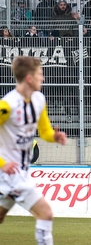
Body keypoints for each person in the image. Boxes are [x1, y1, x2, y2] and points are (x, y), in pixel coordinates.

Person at [0, 56, 69, 244]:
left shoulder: (38, 99)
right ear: (29, 78)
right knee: (45, 214)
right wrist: (3, 164)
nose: (43, 78)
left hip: (18, 172)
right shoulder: (7, 106)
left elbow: (44, 130)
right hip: (9, 174)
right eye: (40, 74)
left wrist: (54, 137)